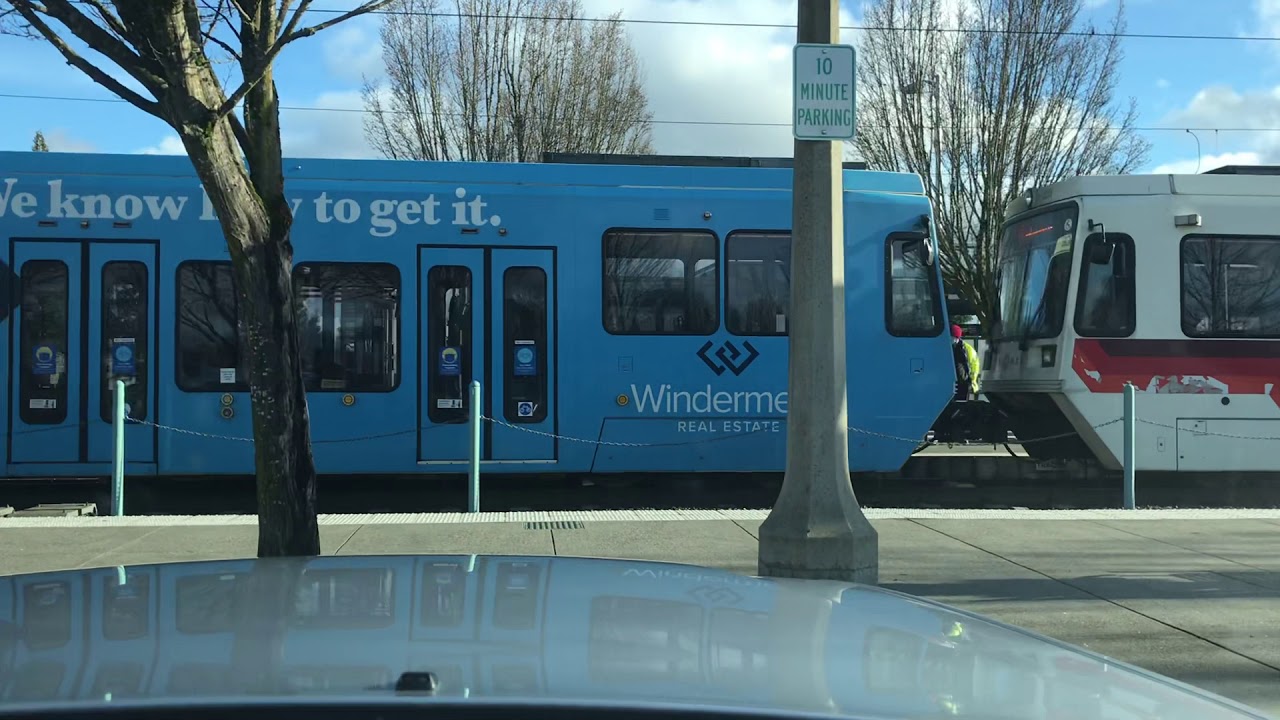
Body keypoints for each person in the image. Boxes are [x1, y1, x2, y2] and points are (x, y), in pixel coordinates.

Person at [951, 324, 980, 401]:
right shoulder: (952, 348)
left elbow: (974, 366)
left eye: (952, 336)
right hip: (957, 384)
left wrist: (971, 381)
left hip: (965, 384)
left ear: (957, 337)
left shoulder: (966, 349)